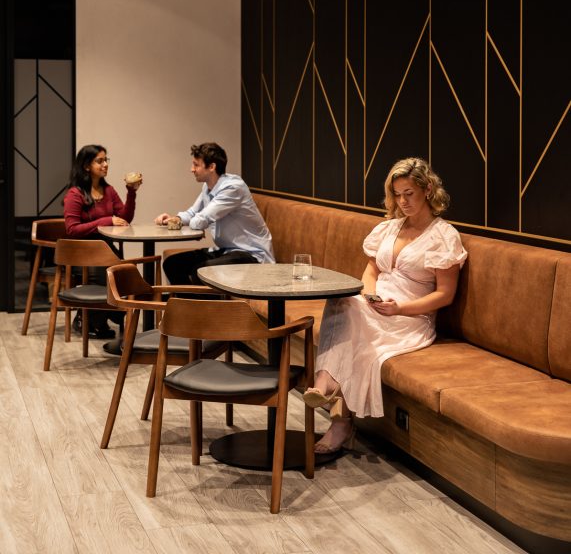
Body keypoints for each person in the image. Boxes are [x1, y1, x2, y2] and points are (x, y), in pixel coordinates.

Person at [303, 157, 467, 454]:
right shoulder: (389, 228)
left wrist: (399, 308)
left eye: (409, 194)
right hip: (376, 306)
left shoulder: (443, 236)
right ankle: (330, 396)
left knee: (351, 321)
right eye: (397, 194)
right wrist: (369, 295)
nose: (403, 202)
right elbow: (370, 272)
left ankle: (331, 402)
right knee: (342, 300)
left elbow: (445, 295)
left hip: (410, 318)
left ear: (428, 190)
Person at [154, 142, 274, 284]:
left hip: (251, 254)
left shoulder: (233, 188)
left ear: (211, 167)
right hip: (227, 250)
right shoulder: (208, 186)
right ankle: (189, 299)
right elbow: (193, 213)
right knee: (172, 264)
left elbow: (201, 220)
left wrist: (191, 222)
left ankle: (200, 299)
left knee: (201, 271)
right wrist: (174, 219)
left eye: (196, 165)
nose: (191, 169)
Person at [63, 144, 142, 338]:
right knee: (108, 275)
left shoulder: (108, 191)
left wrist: (131, 192)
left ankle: (100, 317)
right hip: (83, 252)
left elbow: (124, 218)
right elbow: (72, 229)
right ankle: (89, 320)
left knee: (126, 272)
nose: (105, 164)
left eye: (106, 160)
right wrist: (106, 221)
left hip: (106, 250)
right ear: (86, 166)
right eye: (100, 161)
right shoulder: (75, 194)